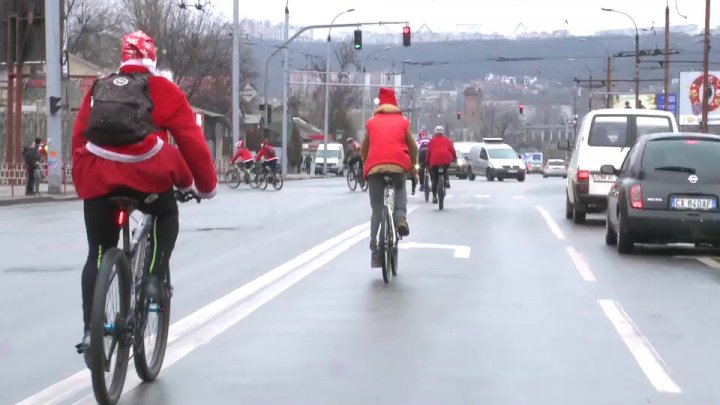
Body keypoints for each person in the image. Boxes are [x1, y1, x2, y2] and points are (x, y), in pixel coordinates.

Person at [71, 31, 217, 360]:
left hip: (98, 181)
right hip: (146, 181)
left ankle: (91, 331)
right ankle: (152, 278)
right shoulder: (162, 89)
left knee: (97, 251)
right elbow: (191, 141)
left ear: (122, 59)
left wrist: (85, 178)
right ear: (151, 59)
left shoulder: (99, 89)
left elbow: (79, 139)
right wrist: (205, 186)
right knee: (165, 214)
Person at [361, 87, 418, 268]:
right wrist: (414, 168)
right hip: (398, 164)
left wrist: (366, 164)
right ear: (395, 103)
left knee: (377, 209)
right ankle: (400, 217)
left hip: (375, 167)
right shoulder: (403, 122)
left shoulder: (371, 122)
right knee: (400, 188)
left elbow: (364, 148)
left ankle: (375, 252)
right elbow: (413, 147)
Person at [427, 125, 456, 204]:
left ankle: (434, 197)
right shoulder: (447, 141)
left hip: (434, 161)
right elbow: (452, 150)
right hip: (445, 159)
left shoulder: (432, 141)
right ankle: (446, 180)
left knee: (435, 179)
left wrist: (427, 162)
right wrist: (454, 158)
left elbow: (428, 153)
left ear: (435, 133)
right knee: (445, 169)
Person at [413, 129, 430, 195]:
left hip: (421, 153)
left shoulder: (417, 140)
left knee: (421, 168)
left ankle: (422, 185)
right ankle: (434, 182)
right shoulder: (429, 140)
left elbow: (415, 150)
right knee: (431, 167)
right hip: (428, 153)